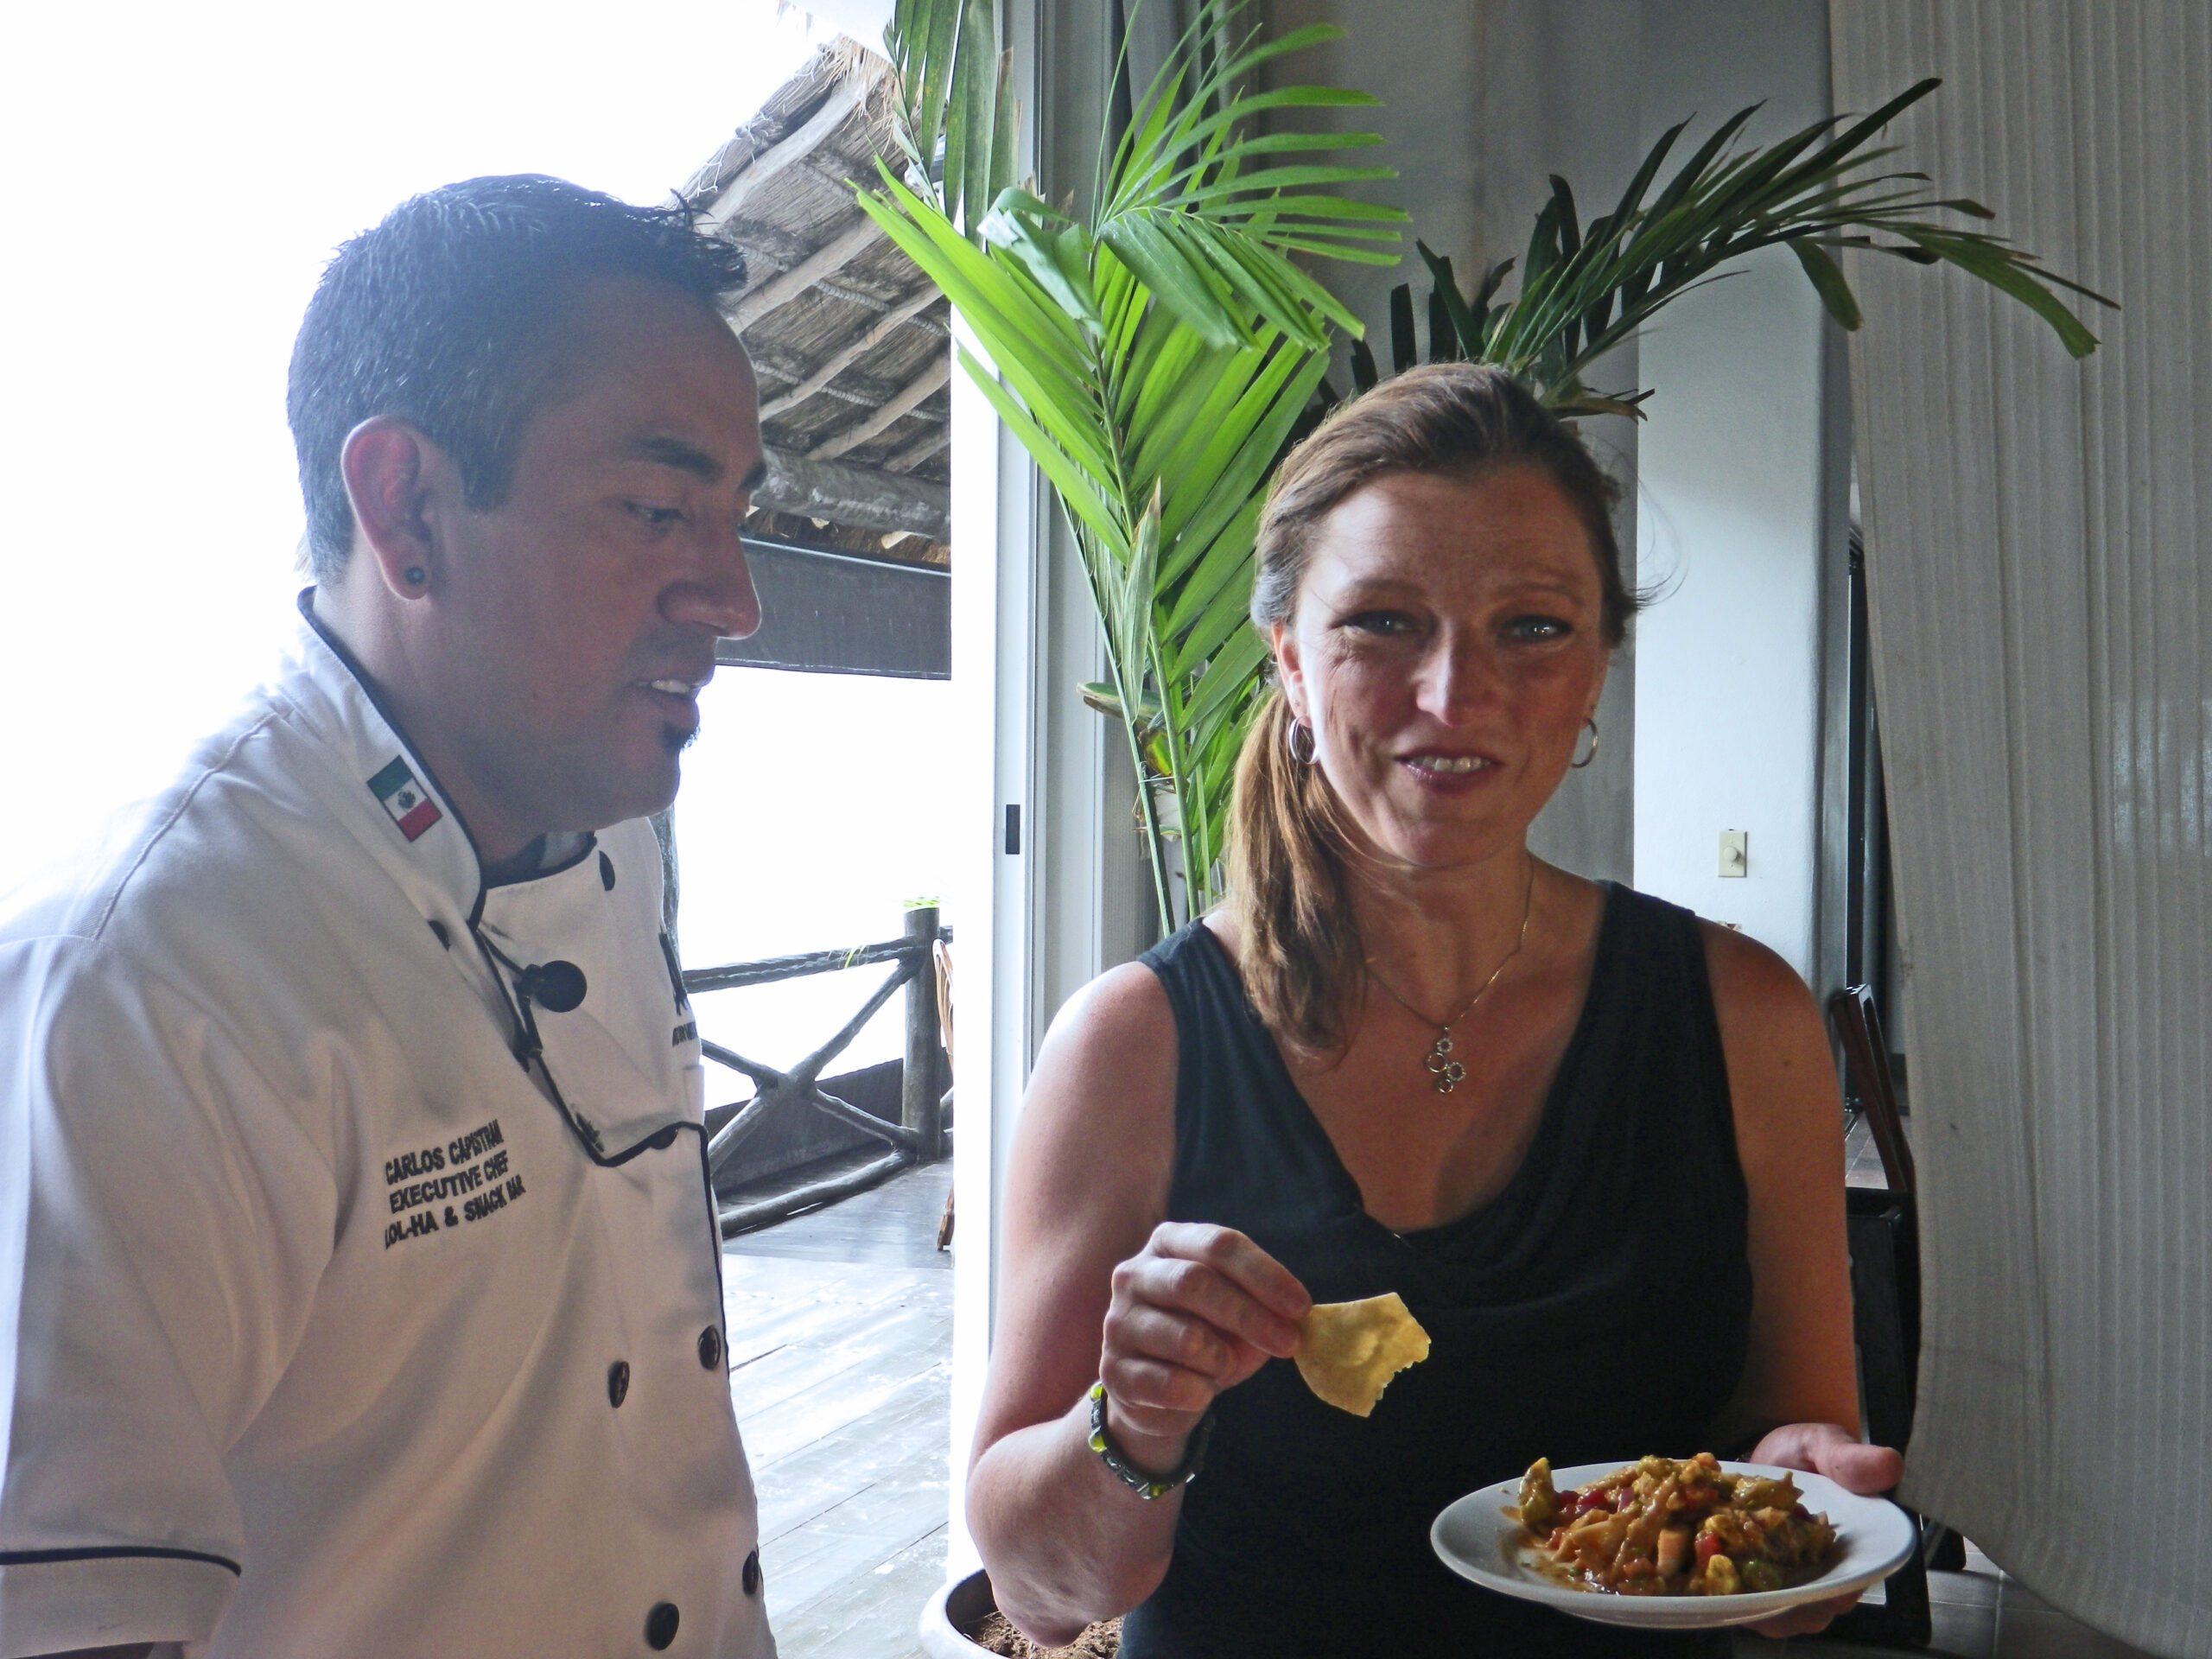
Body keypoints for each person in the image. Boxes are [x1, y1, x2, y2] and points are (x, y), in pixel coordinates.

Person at [965, 364, 1904, 1657]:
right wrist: (1131, 1421)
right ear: (1291, 660)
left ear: (1597, 673)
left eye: (1532, 628)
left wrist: (1804, 1501)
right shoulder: (1135, 1046)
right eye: (1385, 623)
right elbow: (1039, 1595)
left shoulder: (1742, 1019)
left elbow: (1797, 1454)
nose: (1455, 698)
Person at [0, 176, 778, 1657]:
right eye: (657, 509)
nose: (735, 597)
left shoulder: (613, 836)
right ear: (407, 507)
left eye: (738, 513)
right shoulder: (152, 981)